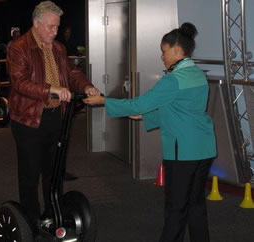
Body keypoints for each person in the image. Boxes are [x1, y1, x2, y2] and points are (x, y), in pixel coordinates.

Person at [84, 22, 216, 242]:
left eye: (164, 51)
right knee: (195, 204)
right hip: (203, 149)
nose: (162, 57)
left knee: (176, 207)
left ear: (175, 50)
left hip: (182, 152)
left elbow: (139, 104)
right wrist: (146, 115)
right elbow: (183, 110)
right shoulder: (197, 75)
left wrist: (104, 101)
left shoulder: (173, 80)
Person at [6, 1, 99, 226]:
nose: (55, 32)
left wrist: (86, 85)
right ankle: (30, 222)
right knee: (30, 175)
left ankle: (51, 215)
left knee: (54, 171)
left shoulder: (58, 48)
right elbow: (20, 83)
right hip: (29, 120)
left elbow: (71, 72)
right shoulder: (19, 47)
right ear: (36, 23)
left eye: (57, 27)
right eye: (50, 27)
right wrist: (51, 89)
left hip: (56, 118)